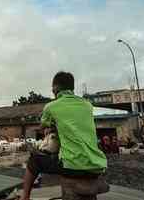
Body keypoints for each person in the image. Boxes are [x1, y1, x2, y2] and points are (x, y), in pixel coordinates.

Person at [20, 71, 107, 200]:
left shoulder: (51, 106)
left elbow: (42, 127)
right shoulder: (87, 105)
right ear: (72, 88)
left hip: (72, 165)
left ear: (55, 88)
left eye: (52, 89)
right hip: (96, 164)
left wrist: (47, 128)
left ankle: (24, 197)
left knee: (34, 160)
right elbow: (73, 126)